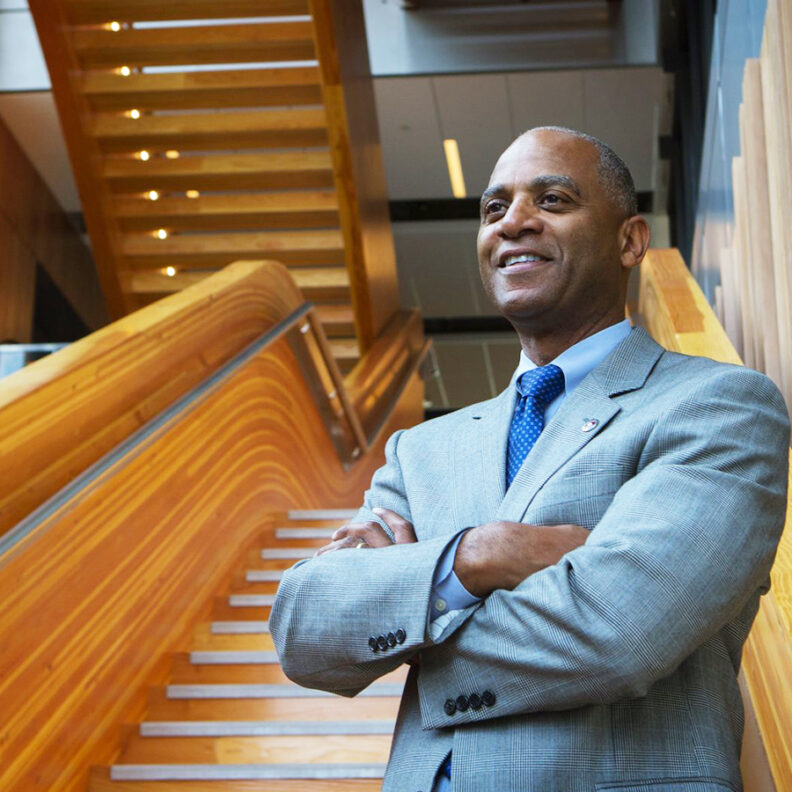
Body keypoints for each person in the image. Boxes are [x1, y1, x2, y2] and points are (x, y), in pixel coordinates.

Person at [270, 126, 789, 792]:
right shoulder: (421, 449)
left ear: (630, 240)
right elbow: (305, 628)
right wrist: (476, 556)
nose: (514, 222)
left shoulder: (717, 405)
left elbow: (619, 629)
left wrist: (407, 612)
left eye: (552, 200)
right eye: (493, 209)